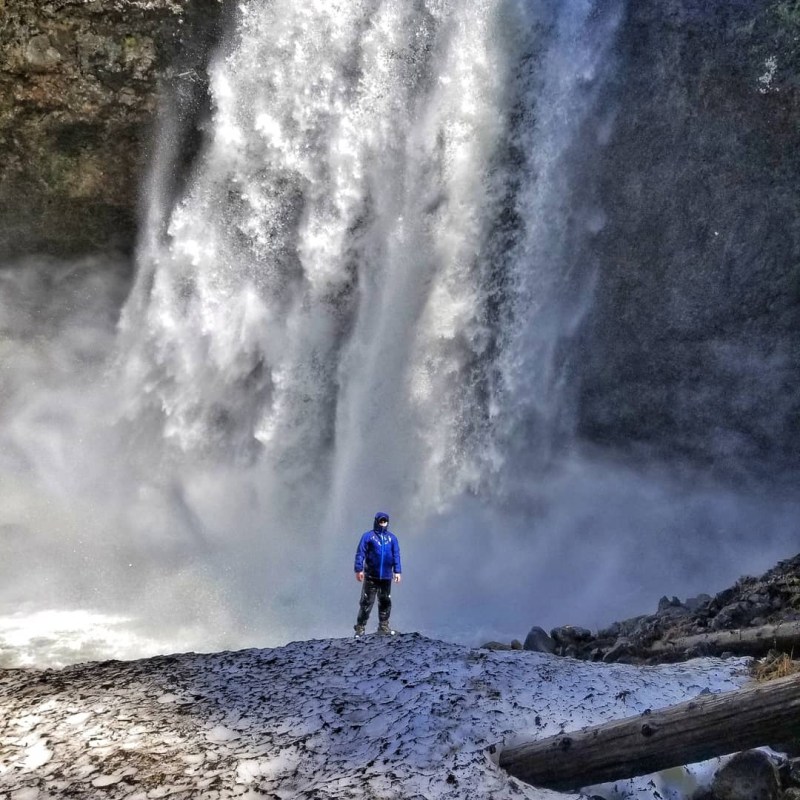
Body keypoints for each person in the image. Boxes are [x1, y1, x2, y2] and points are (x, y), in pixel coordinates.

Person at [353, 511, 402, 636]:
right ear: (376, 521)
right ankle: (360, 627)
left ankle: (383, 625)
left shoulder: (392, 538)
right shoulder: (368, 536)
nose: (383, 523)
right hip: (371, 576)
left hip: (386, 576)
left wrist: (397, 571)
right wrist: (359, 569)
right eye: (381, 521)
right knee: (366, 602)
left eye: (385, 521)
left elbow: (396, 555)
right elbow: (360, 553)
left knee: (385, 601)